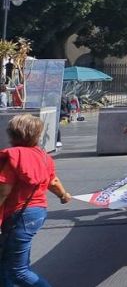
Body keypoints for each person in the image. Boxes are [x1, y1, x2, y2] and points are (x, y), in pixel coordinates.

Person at [0, 114, 72, 286]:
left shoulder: (13, 158)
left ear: (12, 133)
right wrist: (63, 195)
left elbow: (3, 192)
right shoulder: (43, 156)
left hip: (19, 216)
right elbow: (52, 181)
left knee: (18, 271)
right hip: (37, 212)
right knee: (7, 262)